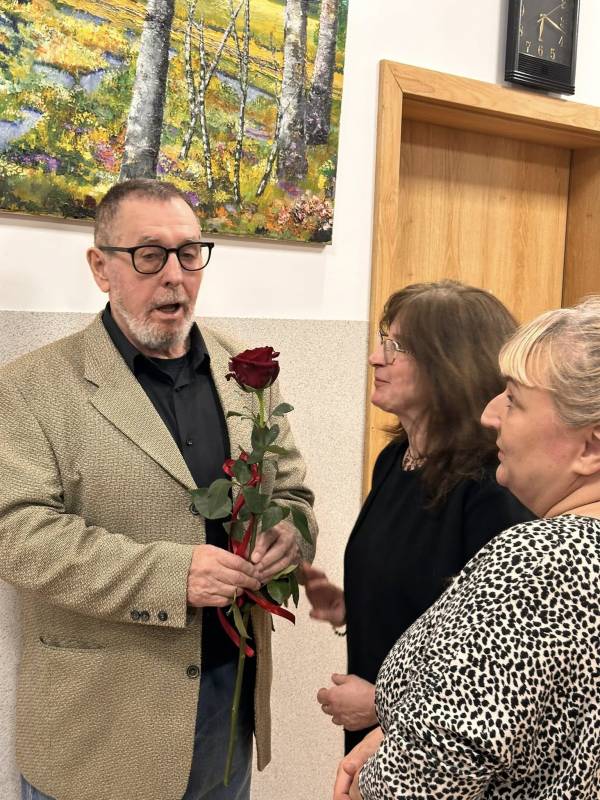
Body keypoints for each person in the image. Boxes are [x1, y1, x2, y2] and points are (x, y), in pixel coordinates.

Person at [0, 179, 316, 800]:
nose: (175, 276)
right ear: (101, 268)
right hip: (100, 728)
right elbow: (15, 534)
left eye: (189, 253)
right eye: (149, 255)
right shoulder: (31, 388)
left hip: (226, 707)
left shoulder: (245, 372)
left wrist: (289, 532)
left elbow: (293, 491)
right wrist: (171, 576)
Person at [334, 297, 600, 799]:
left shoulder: (541, 559)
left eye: (514, 399)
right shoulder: (395, 459)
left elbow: (434, 766)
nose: (491, 413)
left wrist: (378, 760)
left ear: (590, 447)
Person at [302, 281, 534, 753]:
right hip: (383, 739)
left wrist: (381, 704)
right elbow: (429, 605)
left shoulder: (491, 488)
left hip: (441, 748)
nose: (376, 358)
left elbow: (500, 661)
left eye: (396, 347)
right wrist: (353, 606)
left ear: (451, 365)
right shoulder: (395, 459)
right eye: (382, 341)